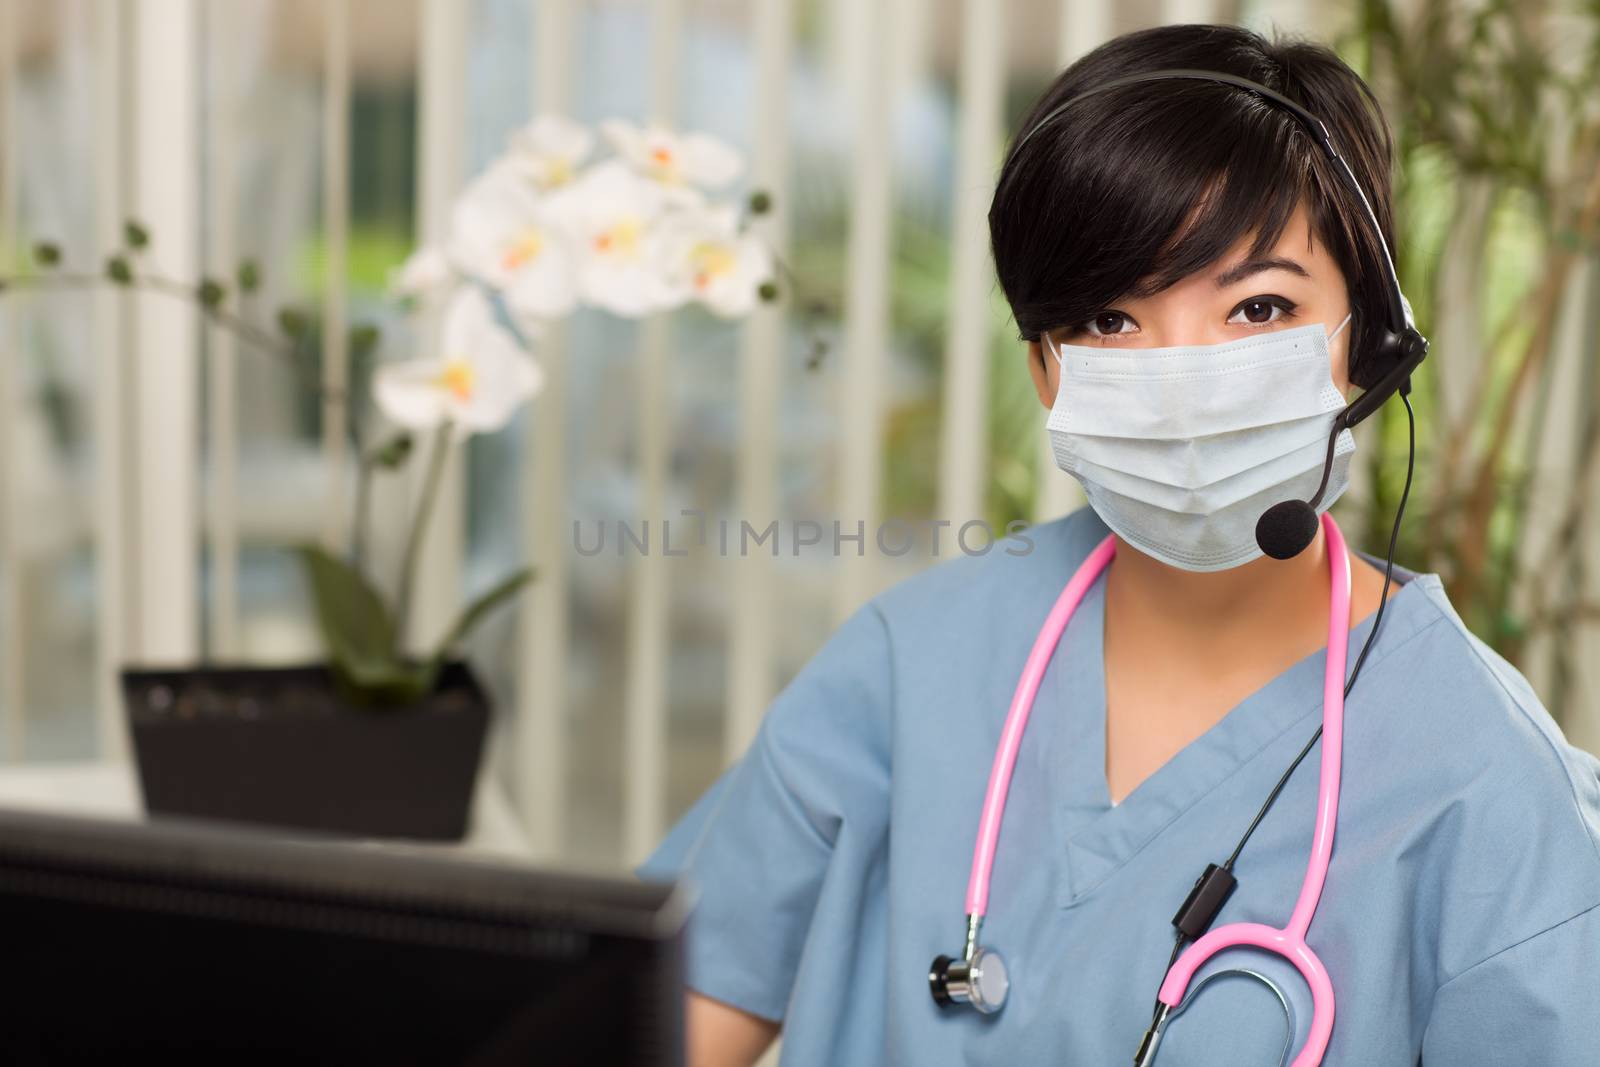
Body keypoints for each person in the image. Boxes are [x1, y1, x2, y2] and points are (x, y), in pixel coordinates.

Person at [636, 22, 1600, 1066]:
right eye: (1108, 320)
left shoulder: (1489, 783)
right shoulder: (911, 666)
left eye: (1259, 306)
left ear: (1367, 344)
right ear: (1044, 367)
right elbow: (651, 1018)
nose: (1182, 377)